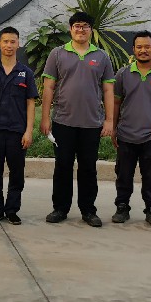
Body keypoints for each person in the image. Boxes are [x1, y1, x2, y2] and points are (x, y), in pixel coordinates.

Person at [41, 12, 115, 227]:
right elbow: (48, 87)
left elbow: (108, 90)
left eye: (85, 26)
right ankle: (60, 208)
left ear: (91, 30)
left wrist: (109, 120)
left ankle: (88, 210)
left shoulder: (101, 56)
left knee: (88, 168)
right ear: (70, 29)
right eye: (77, 26)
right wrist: (45, 118)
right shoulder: (57, 54)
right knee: (62, 166)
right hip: (63, 121)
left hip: (91, 123)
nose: (80, 29)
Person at [111, 31, 151, 228]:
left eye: (147, 47)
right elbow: (116, 102)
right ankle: (122, 207)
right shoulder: (122, 74)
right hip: (126, 135)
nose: (143, 50)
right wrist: (113, 128)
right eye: (139, 47)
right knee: (123, 175)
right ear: (133, 50)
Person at [0, 26, 38, 225]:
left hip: (17, 131)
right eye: (5, 41)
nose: (9, 45)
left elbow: (31, 103)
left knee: (17, 173)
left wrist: (29, 131)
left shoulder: (26, 73)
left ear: (18, 44)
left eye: (13, 42)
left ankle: (12, 210)